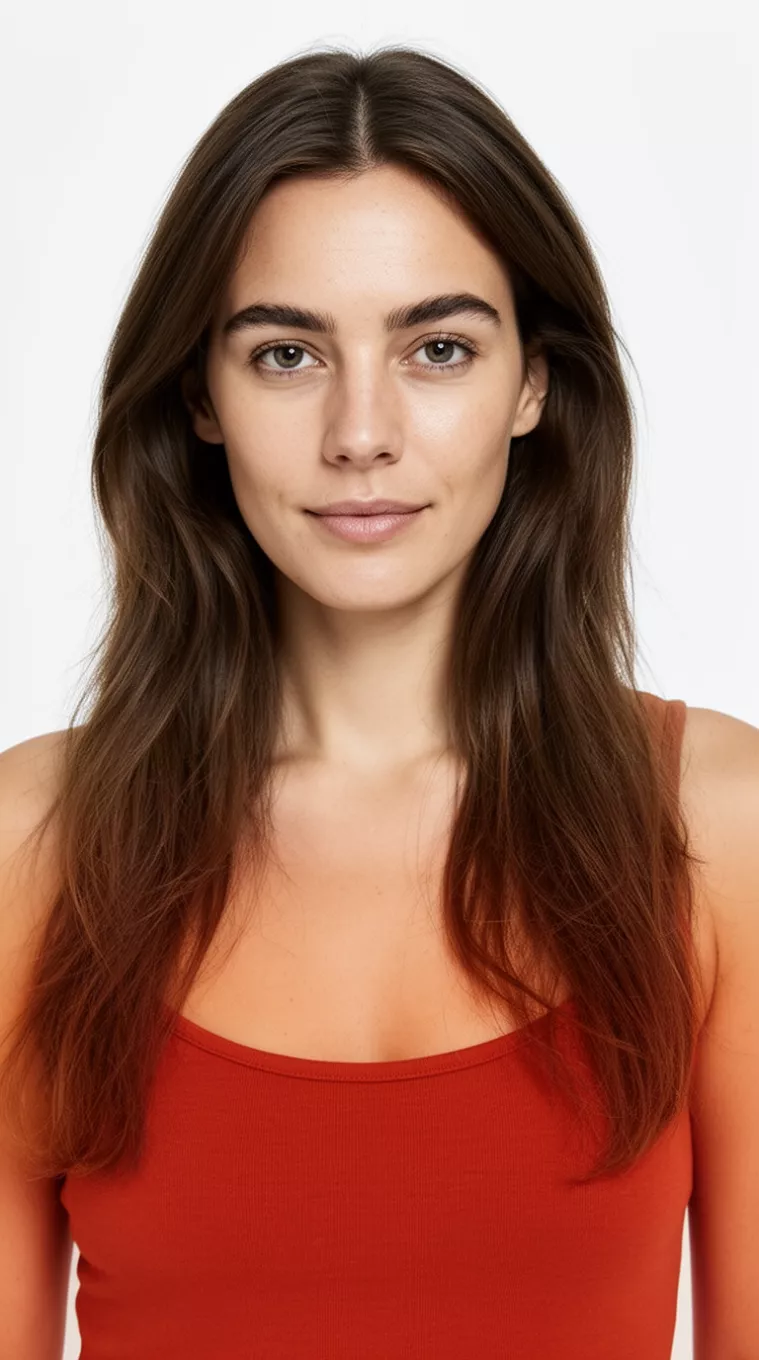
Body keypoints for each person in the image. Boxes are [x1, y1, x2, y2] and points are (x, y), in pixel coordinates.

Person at [1, 42, 757, 1360]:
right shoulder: (30, 849)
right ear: (200, 396)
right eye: (288, 353)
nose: (362, 429)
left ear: (532, 383)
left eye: (438, 349)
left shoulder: (718, 835)